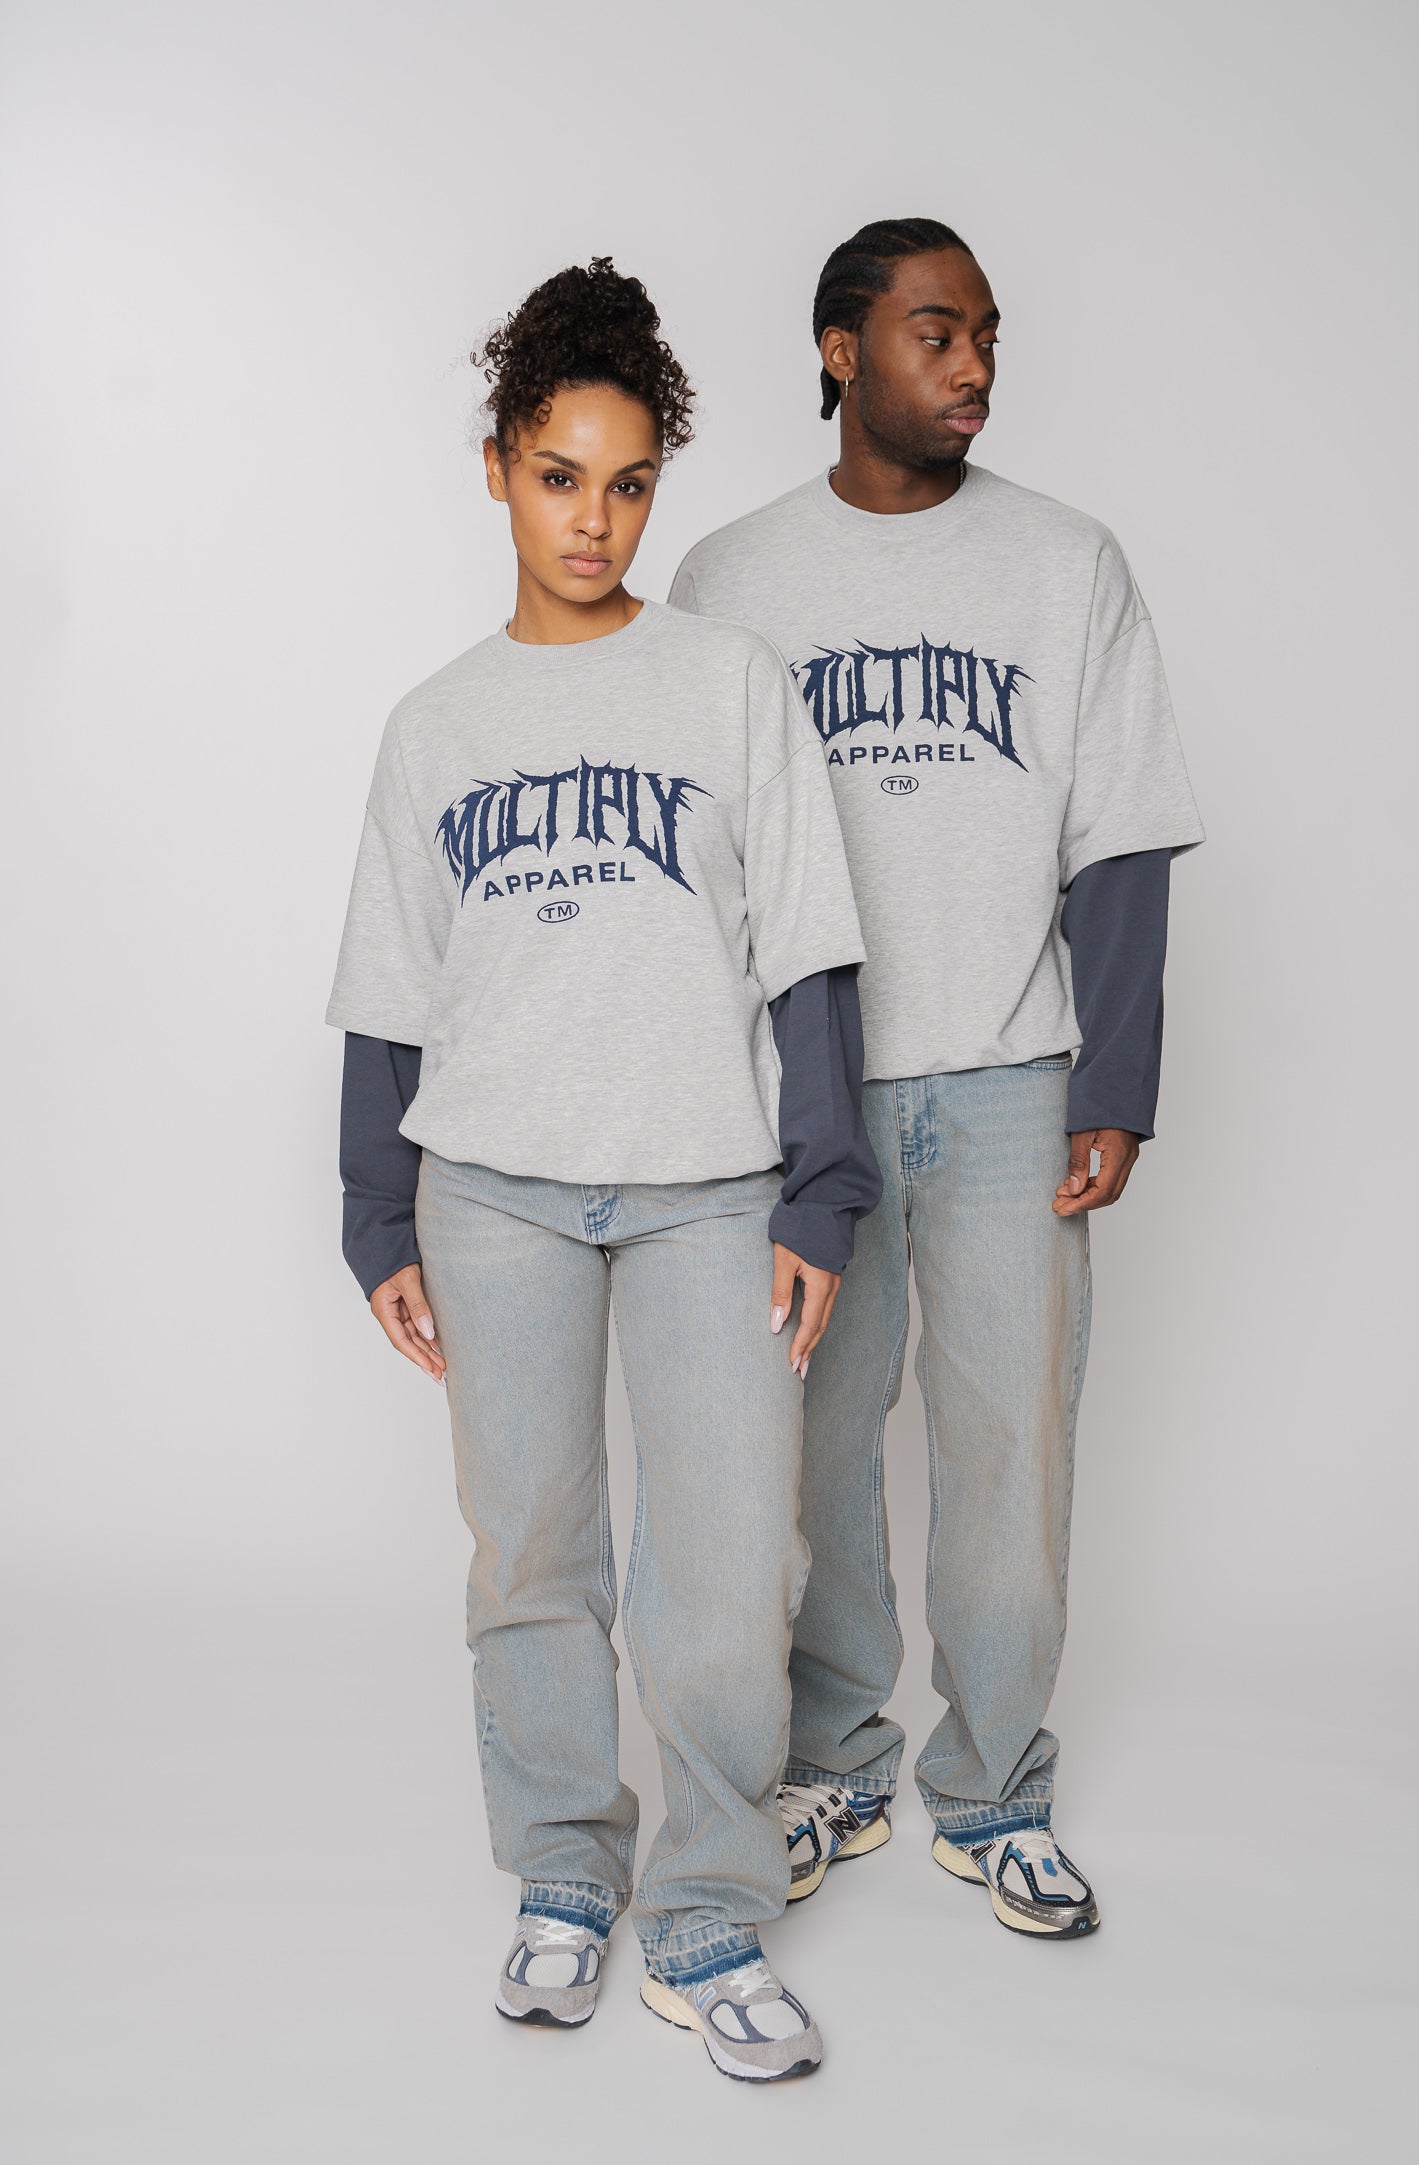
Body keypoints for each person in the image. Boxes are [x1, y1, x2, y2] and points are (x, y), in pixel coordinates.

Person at [326, 258, 881, 2081]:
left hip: (709, 1184)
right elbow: (392, 990)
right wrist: (376, 1210)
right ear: (499, 466)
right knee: (533, 1553)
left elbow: (810, 951)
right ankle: (565, 1869)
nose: (595, 519)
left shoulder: (727, 682)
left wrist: (820, 1191)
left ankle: (709, 1906)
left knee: (723, 1561)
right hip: (490, 1190)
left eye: (630, 483)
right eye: (561, 476)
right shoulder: (435, 726)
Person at [671, 218, 1204, 1939]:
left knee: (1010, 1456)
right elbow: (700, 869)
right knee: (810, 1453)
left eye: (986, 336)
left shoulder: (1066, 563)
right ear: (841, 351)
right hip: (804, 1100)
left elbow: (1122, 837)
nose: (973, 366)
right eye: (934, 332)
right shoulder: (733, 579)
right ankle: (834, 1760)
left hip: (1007, 1079)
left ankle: (994, 1787)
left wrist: (1114, 1078)